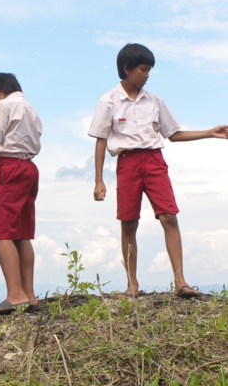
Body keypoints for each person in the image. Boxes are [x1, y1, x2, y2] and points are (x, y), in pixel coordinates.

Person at [88, 43, 228, 298]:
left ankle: (181, 282)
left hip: (154, 161)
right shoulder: (108, 101)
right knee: (128, 222)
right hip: (127, 163)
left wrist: (210, 132)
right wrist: (98, 180)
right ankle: (132, 285)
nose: (147, 74)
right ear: (127, 69)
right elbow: (100, 140)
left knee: (168, 217)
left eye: (149, 70)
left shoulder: (154, 101)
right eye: (143, 69)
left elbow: (173, 134)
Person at [0, 73, 42, 316]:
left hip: (8, 168)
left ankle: (15, 295)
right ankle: (29, 294)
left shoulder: (4, 105)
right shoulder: (31, 108)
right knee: (22, 233)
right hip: (29, 168)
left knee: (1, 231)